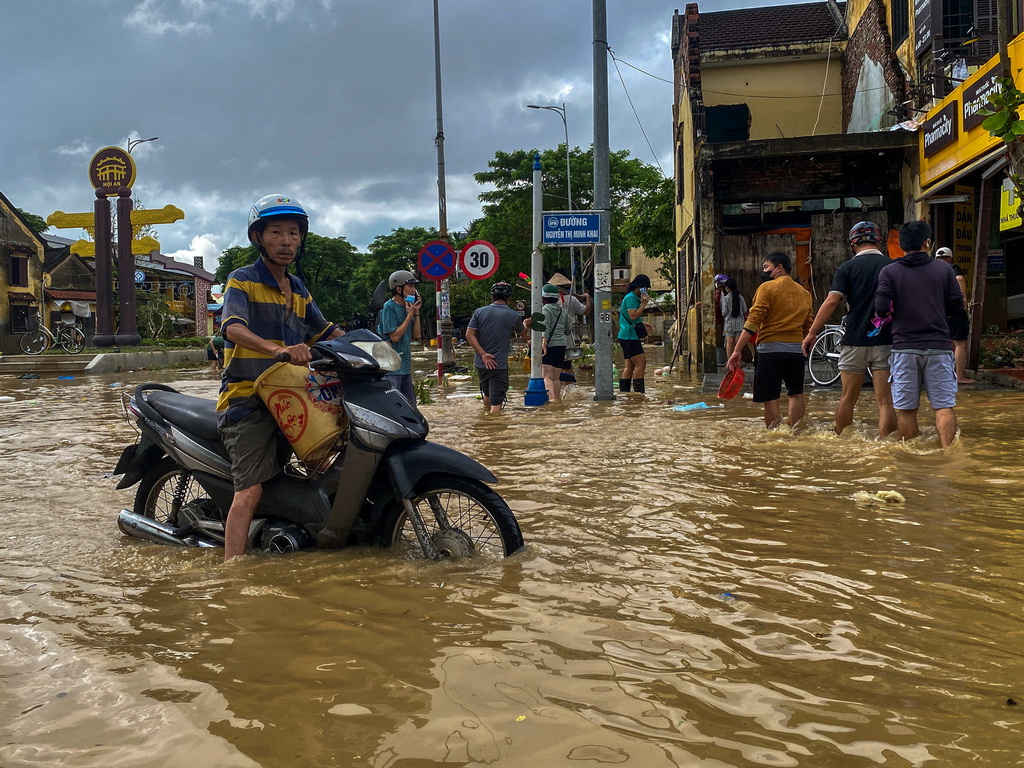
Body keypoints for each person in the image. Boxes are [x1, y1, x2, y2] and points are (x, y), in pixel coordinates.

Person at [217, 194, 344, 561]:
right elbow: (232, 327)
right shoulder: (242, 280)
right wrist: (275, 349)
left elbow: (325, 330)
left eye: (294, 233)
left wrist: (370, 349)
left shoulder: (299, 288)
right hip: (247, 400)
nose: (287, 241)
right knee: (250, 492)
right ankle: (232, 571)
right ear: (258, 237)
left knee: (325, 459)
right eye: (277, 232)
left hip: (292, 395)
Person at [801, 221, 896, 437]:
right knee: (885, 401)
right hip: (886, 341)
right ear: (878, 241)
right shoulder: (891, 267)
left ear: (852, 244)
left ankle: (842, 442)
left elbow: (832, 301)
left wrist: (812, 333)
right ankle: (888, 447)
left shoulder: (847, 268)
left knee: (847, 398)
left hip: (854, 340)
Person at [874, 221, 964, 448]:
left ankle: (909, 463)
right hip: (939, 347)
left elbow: (881, 307)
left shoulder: (889, 271)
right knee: (943, 407)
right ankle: (948, 457)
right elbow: (956, 306)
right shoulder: (943, 270)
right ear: (927, 243)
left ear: (902, 245)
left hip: (904, 348)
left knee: (906, 411)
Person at [726, 252, 813, 429]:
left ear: (779, 267)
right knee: (796, 394)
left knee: (771, 398)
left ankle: (775, 436)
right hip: (796, 352)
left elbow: (753, 321)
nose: (764, 271)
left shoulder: (766, 288)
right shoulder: (804, 293)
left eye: (766, 267)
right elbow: (808, 327)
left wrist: (737, 350)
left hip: (770, 351)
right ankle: (796, 434)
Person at [465, 281, 525, 414]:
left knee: (486, 396)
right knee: (496, 404)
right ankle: (494, 431)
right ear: (509, 299)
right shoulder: (513, 316)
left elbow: (469, 335)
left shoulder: (479, 312)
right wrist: (526, 323)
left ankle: (485, 421)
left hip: (481, 364)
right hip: (498, 365)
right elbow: (524, 334)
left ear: (492, 297)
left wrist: (483, 354)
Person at [376, 269, 422, 404]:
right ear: (399, 288)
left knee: (411, 405)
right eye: (410, 286)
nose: (414, 290)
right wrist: (409, 316)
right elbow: (395, 337)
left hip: (405, 367)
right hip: (391, 369)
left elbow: (417, 335)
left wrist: (416, 313)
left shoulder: (409, 307)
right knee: (396, 405)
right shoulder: (388, 307)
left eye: (414, 287)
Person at [548, 271, 592, 384]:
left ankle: (557, 390)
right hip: (566, 337)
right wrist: (587, 298)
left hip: (550, 338)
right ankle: (570, 389)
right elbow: (586, 311)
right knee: (567, 366)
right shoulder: (572, 300)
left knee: (551, 367)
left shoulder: (547, 301)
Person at [935, 246, 971, 384]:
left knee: (947, 343)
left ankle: (947, 375)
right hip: (954, 310)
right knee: (960, 343)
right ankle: (959, 376)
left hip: (939, 311)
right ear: (950, 258)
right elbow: (960, 279)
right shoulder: (952, 267)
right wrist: (964, 298)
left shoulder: (933, 270)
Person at [617, 274, 653, 393]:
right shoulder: (631, 298)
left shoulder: (631, 297)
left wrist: (642, 323)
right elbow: (632, 315)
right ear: (639, 287)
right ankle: (639, 394)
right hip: (629, 336)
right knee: (641, 363)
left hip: (626, 335)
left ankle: (625, 393)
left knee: (630, 365)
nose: (646, 291)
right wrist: (643, 304)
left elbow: (632, 317)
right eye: (645, 289)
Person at [538, 283, 572, 402]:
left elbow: (545, 327)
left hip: (549, 345)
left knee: (546, 376)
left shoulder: (545, 309)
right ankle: (557, 399)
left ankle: (552, 400)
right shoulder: (563, 311)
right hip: (562, 345)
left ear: (544, 297)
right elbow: (568, 330)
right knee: (556, 378)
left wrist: (544, 343)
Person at [720, 277, 754, 362]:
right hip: (739, 323)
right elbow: (745, 310)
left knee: (729, 342)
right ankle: (738, 362)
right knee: (738, 343)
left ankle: (729, 361)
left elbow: (724, 312)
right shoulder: (740, 297)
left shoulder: (725, 298)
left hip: (729, 324)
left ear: (727, 288)